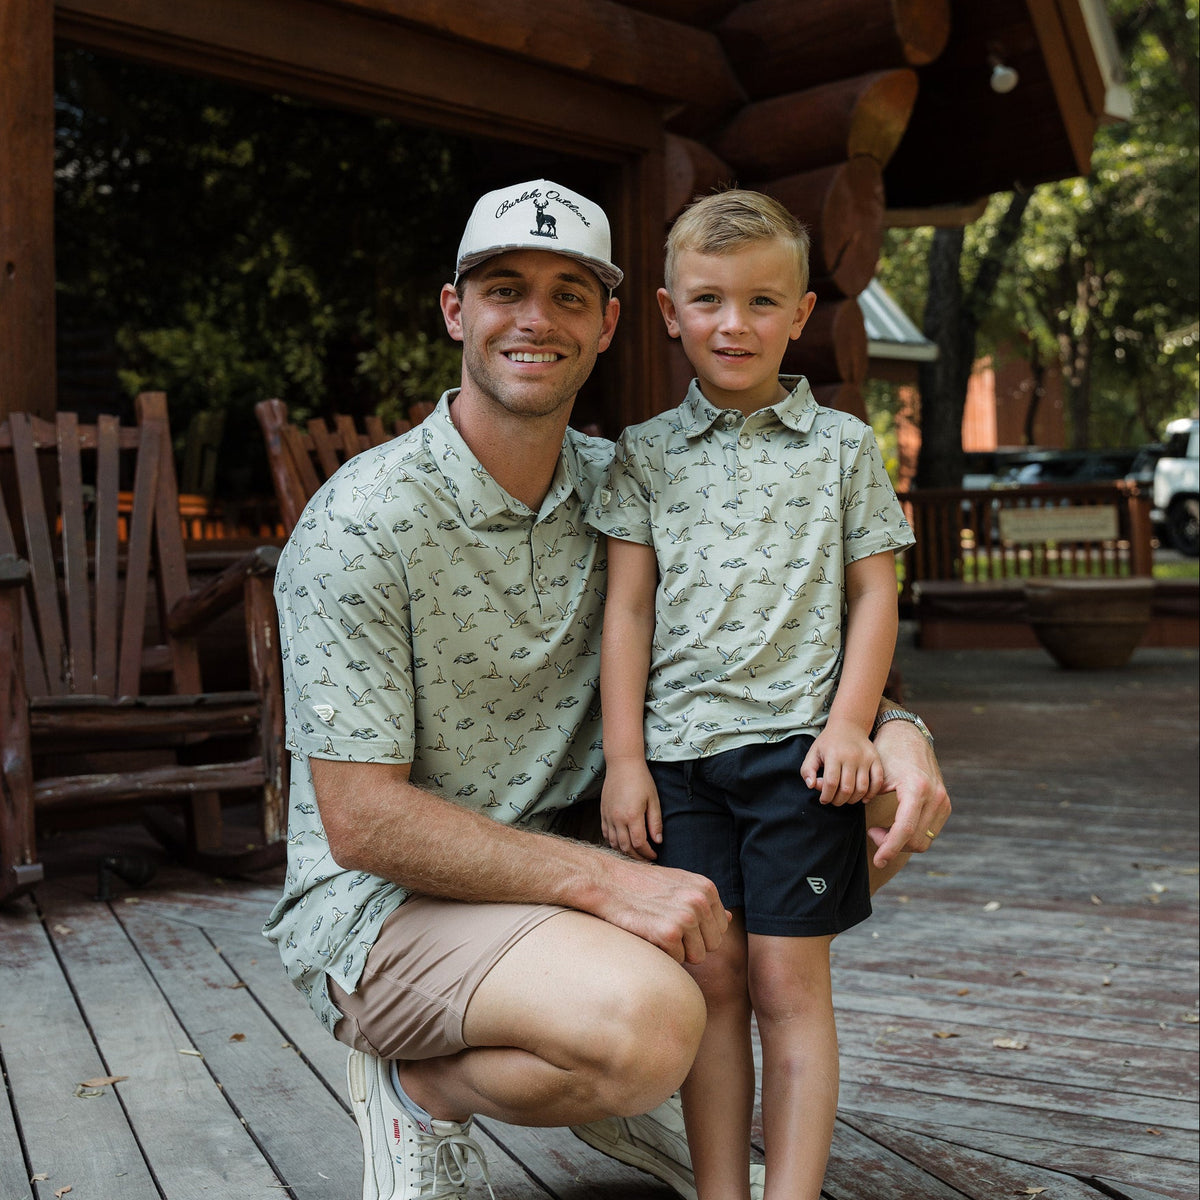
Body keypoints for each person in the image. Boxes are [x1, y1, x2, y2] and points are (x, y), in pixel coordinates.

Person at [263, 179, 949, 1200]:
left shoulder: (624, 480)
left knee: (858, 807)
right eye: (503, 289)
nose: (534, 319)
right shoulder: (360, 526)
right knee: (649, 1025)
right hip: (394, 908)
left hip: (580, 848)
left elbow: (737, 648)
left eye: (567, 295)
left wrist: (895, 728)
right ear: (455, 310)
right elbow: (363, 824)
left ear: (611, 322)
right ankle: (427, 1087)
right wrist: (607, 885)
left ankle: (630, 1067)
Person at [585, 189, 916, 1199]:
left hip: (798, 765)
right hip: (681, 767)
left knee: (786, 987)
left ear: (802, 313)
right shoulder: (643, 455)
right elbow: (628, 614)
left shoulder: (844, 449)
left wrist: (854, 726)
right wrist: (629, 761)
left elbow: (874, 593)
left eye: (763, 302)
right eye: (711, 301)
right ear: (668, 310)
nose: (737, 325)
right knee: (712, 985)